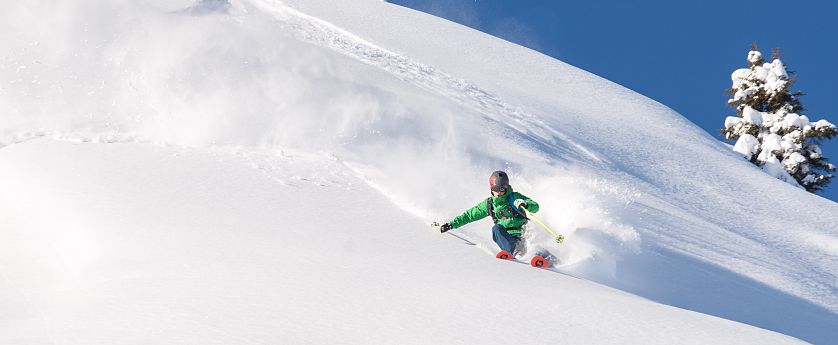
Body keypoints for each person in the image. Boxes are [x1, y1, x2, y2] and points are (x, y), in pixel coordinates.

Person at [436, 171, 539, 258]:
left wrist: (525, 204)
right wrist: (452, 224)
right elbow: (469, 215)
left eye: (502, 189)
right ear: (491, 188)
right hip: (506, 237)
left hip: (523, 234)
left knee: (534, 247)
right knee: (496, 229)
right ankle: (513, 252)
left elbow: (535, 206)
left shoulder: (514, 197)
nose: (499, 192)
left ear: (507, 187)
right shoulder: (489, 204)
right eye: (495, 189)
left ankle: (547, 258)